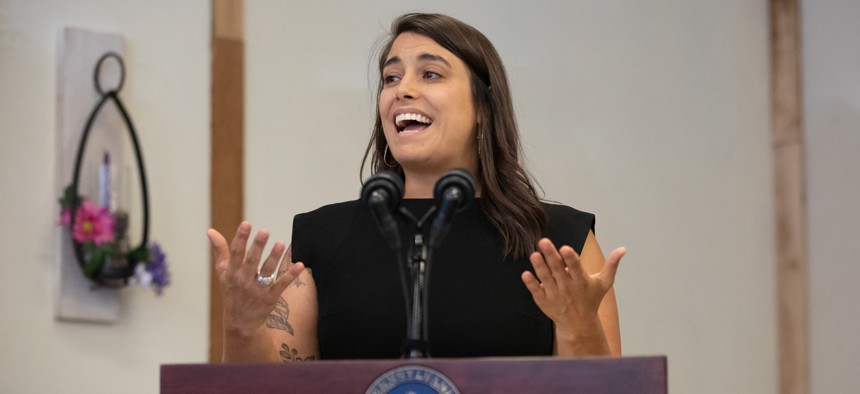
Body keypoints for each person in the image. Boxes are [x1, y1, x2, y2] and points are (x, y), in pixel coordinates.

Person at [208, 12, 625, 363]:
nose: (402, 89)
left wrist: (579, 326)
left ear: (484, 106)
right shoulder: (325, 237)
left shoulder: (559, 242)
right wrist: (241, 326)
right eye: (391, 78)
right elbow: (270, 388)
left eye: (430, 74)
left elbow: (604, 390)